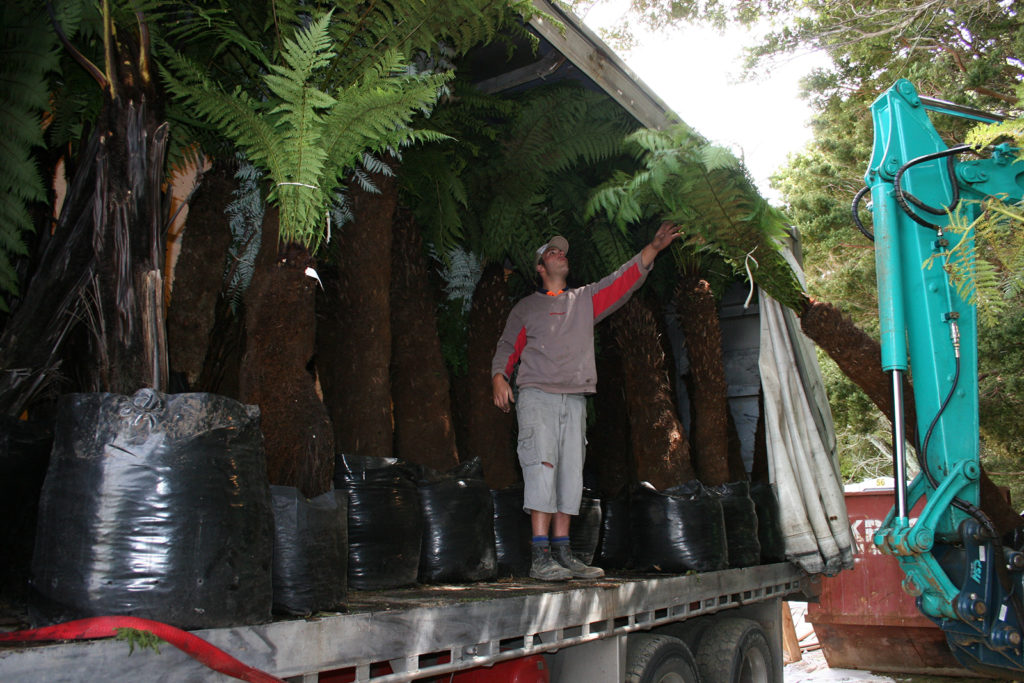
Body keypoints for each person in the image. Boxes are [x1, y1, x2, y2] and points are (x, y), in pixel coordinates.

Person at [491, 222, 681, 580]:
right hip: (537, 397)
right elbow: (507, 346)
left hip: (575, 399)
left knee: (569, 473)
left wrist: (653, 248)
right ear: (540, 269)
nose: (560, 254)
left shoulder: (585, 300)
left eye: (563, 251)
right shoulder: (526, 308)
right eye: (552, 252)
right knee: (541, 468)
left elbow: (621, 280)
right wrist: (498, 376)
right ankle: (540, 555)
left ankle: (563, 553)